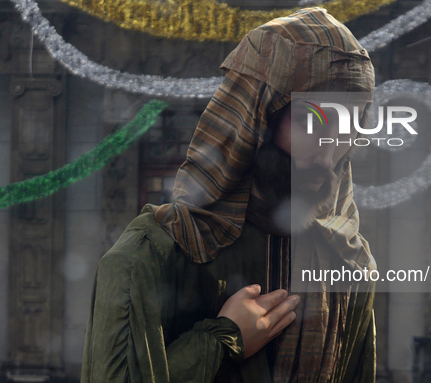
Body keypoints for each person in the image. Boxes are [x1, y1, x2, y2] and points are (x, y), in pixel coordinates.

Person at [81, 7, 377, 383]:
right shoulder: (151, 255)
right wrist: (221, 340)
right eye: (309, 121)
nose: (326, 153)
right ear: (255, 118)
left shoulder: (348, 264)